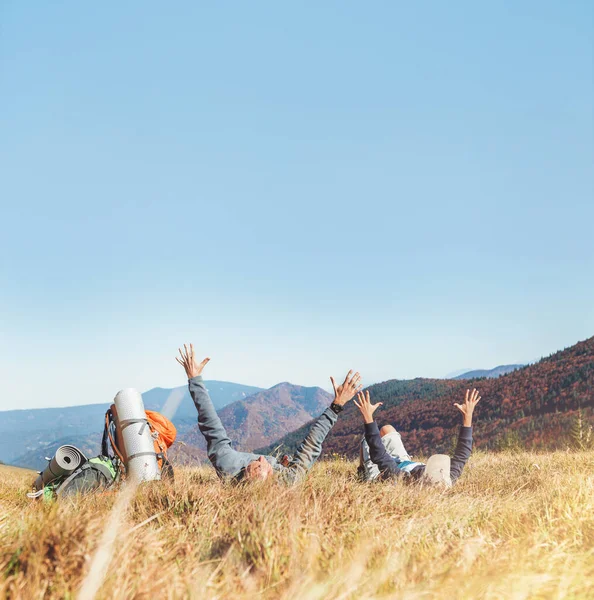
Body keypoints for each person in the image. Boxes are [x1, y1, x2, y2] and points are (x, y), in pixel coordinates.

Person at [176, 343, 362, 483]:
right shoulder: (289, 480)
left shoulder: (228, 464)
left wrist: (194, 379)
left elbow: (210, 423)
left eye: (254, 464)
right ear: (272, 479)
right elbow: (312, 444)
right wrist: (337, 405)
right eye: (261, 465)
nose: (261, 457)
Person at [353, 388, 481, 486]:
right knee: (388, 429)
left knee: (367, 440)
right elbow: (462, 455)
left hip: (381, 472)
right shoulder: (446, 479)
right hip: (405, 462)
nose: (440, 471)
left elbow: (379, 454)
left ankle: (363, 472)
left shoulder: (402, 479)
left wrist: (368, 417)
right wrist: (467, 416)